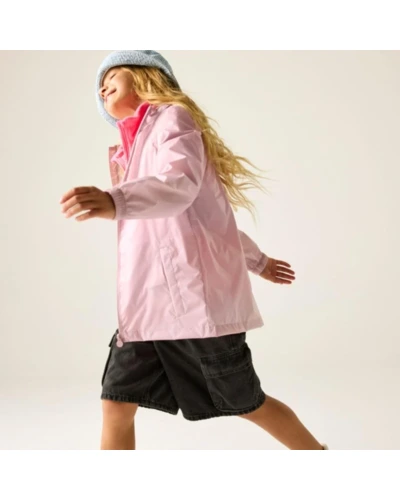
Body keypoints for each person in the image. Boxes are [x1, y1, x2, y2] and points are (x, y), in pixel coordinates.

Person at [60, 50, 328, 450]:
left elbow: (180, 188)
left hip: (193, 306)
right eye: (100, 85)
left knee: (246, 402)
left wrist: (116, 200)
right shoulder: (129, 153)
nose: (102, 87)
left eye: (112, 75)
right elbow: (201, 224)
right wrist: (258, 260)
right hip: (146, 309)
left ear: (147, 76)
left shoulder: (173, 118)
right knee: (116, 402)